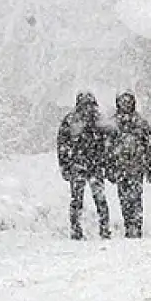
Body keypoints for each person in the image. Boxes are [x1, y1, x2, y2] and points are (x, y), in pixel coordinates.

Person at [57, 92, 114, 240]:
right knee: (81, 199)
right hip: (82, 165)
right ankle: (82, 229)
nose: (87, 108)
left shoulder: (95, 120)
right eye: (85, 105)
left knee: (95, 199)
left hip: (90, 165)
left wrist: (107, 163)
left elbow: (109, 144)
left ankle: (101, 228)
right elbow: (62, 144)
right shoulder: (73, 121)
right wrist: (65, 165)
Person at [109, 91, 151, 238]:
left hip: (137, 168)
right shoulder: (113, 123)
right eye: (123, 102)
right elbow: (107, 148)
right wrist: (109, 167)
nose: (126, 104)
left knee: (136, 197)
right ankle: (128, 225)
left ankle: (137, 225)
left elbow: (149, 147)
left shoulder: (141, 123)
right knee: (124, 199)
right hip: (120, 167)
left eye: (128, 101)